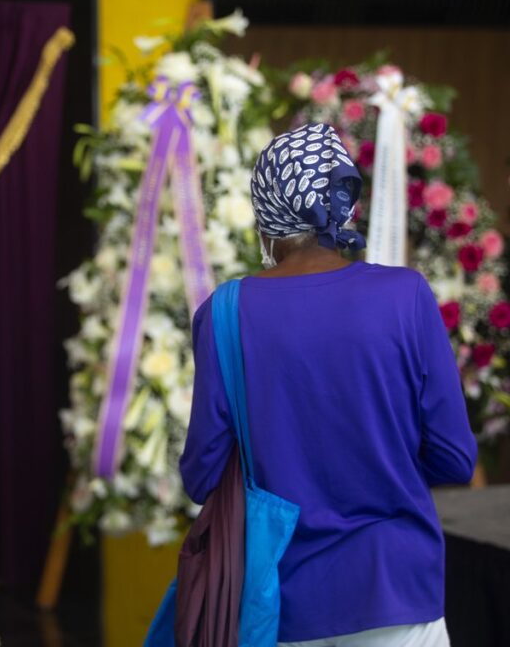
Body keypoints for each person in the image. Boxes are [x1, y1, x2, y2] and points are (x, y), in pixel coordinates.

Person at [179, 122, 477, 647]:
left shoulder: (224, 312)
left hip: (284, 605)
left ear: (265, 216)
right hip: (400, 593)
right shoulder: (406, 296)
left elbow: (202, 475)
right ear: (344, 203)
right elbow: (455, 457)